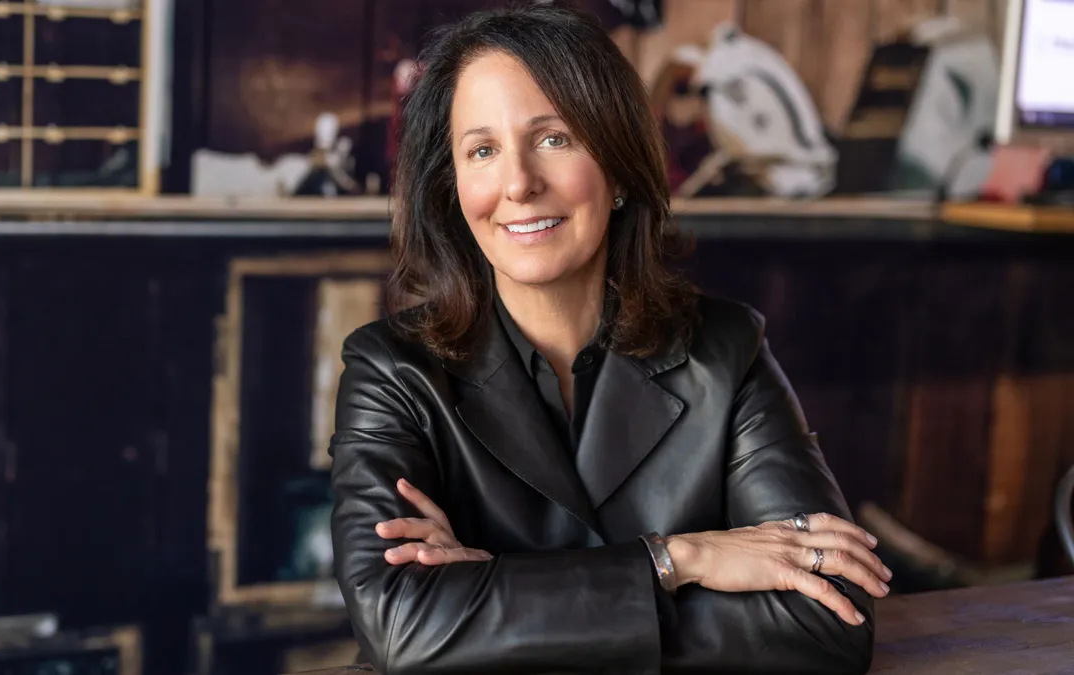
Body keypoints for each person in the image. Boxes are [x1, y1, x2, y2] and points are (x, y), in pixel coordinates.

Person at [328, 6, 886, 674]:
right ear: (453, 189)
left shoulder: (725, 350)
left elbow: (828, 618)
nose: (517, 184)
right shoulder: (390, 370)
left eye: (554, 139)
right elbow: (402, 627)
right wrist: (680, 558)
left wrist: (493, 607)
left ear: (620, 168)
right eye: (482, 150)